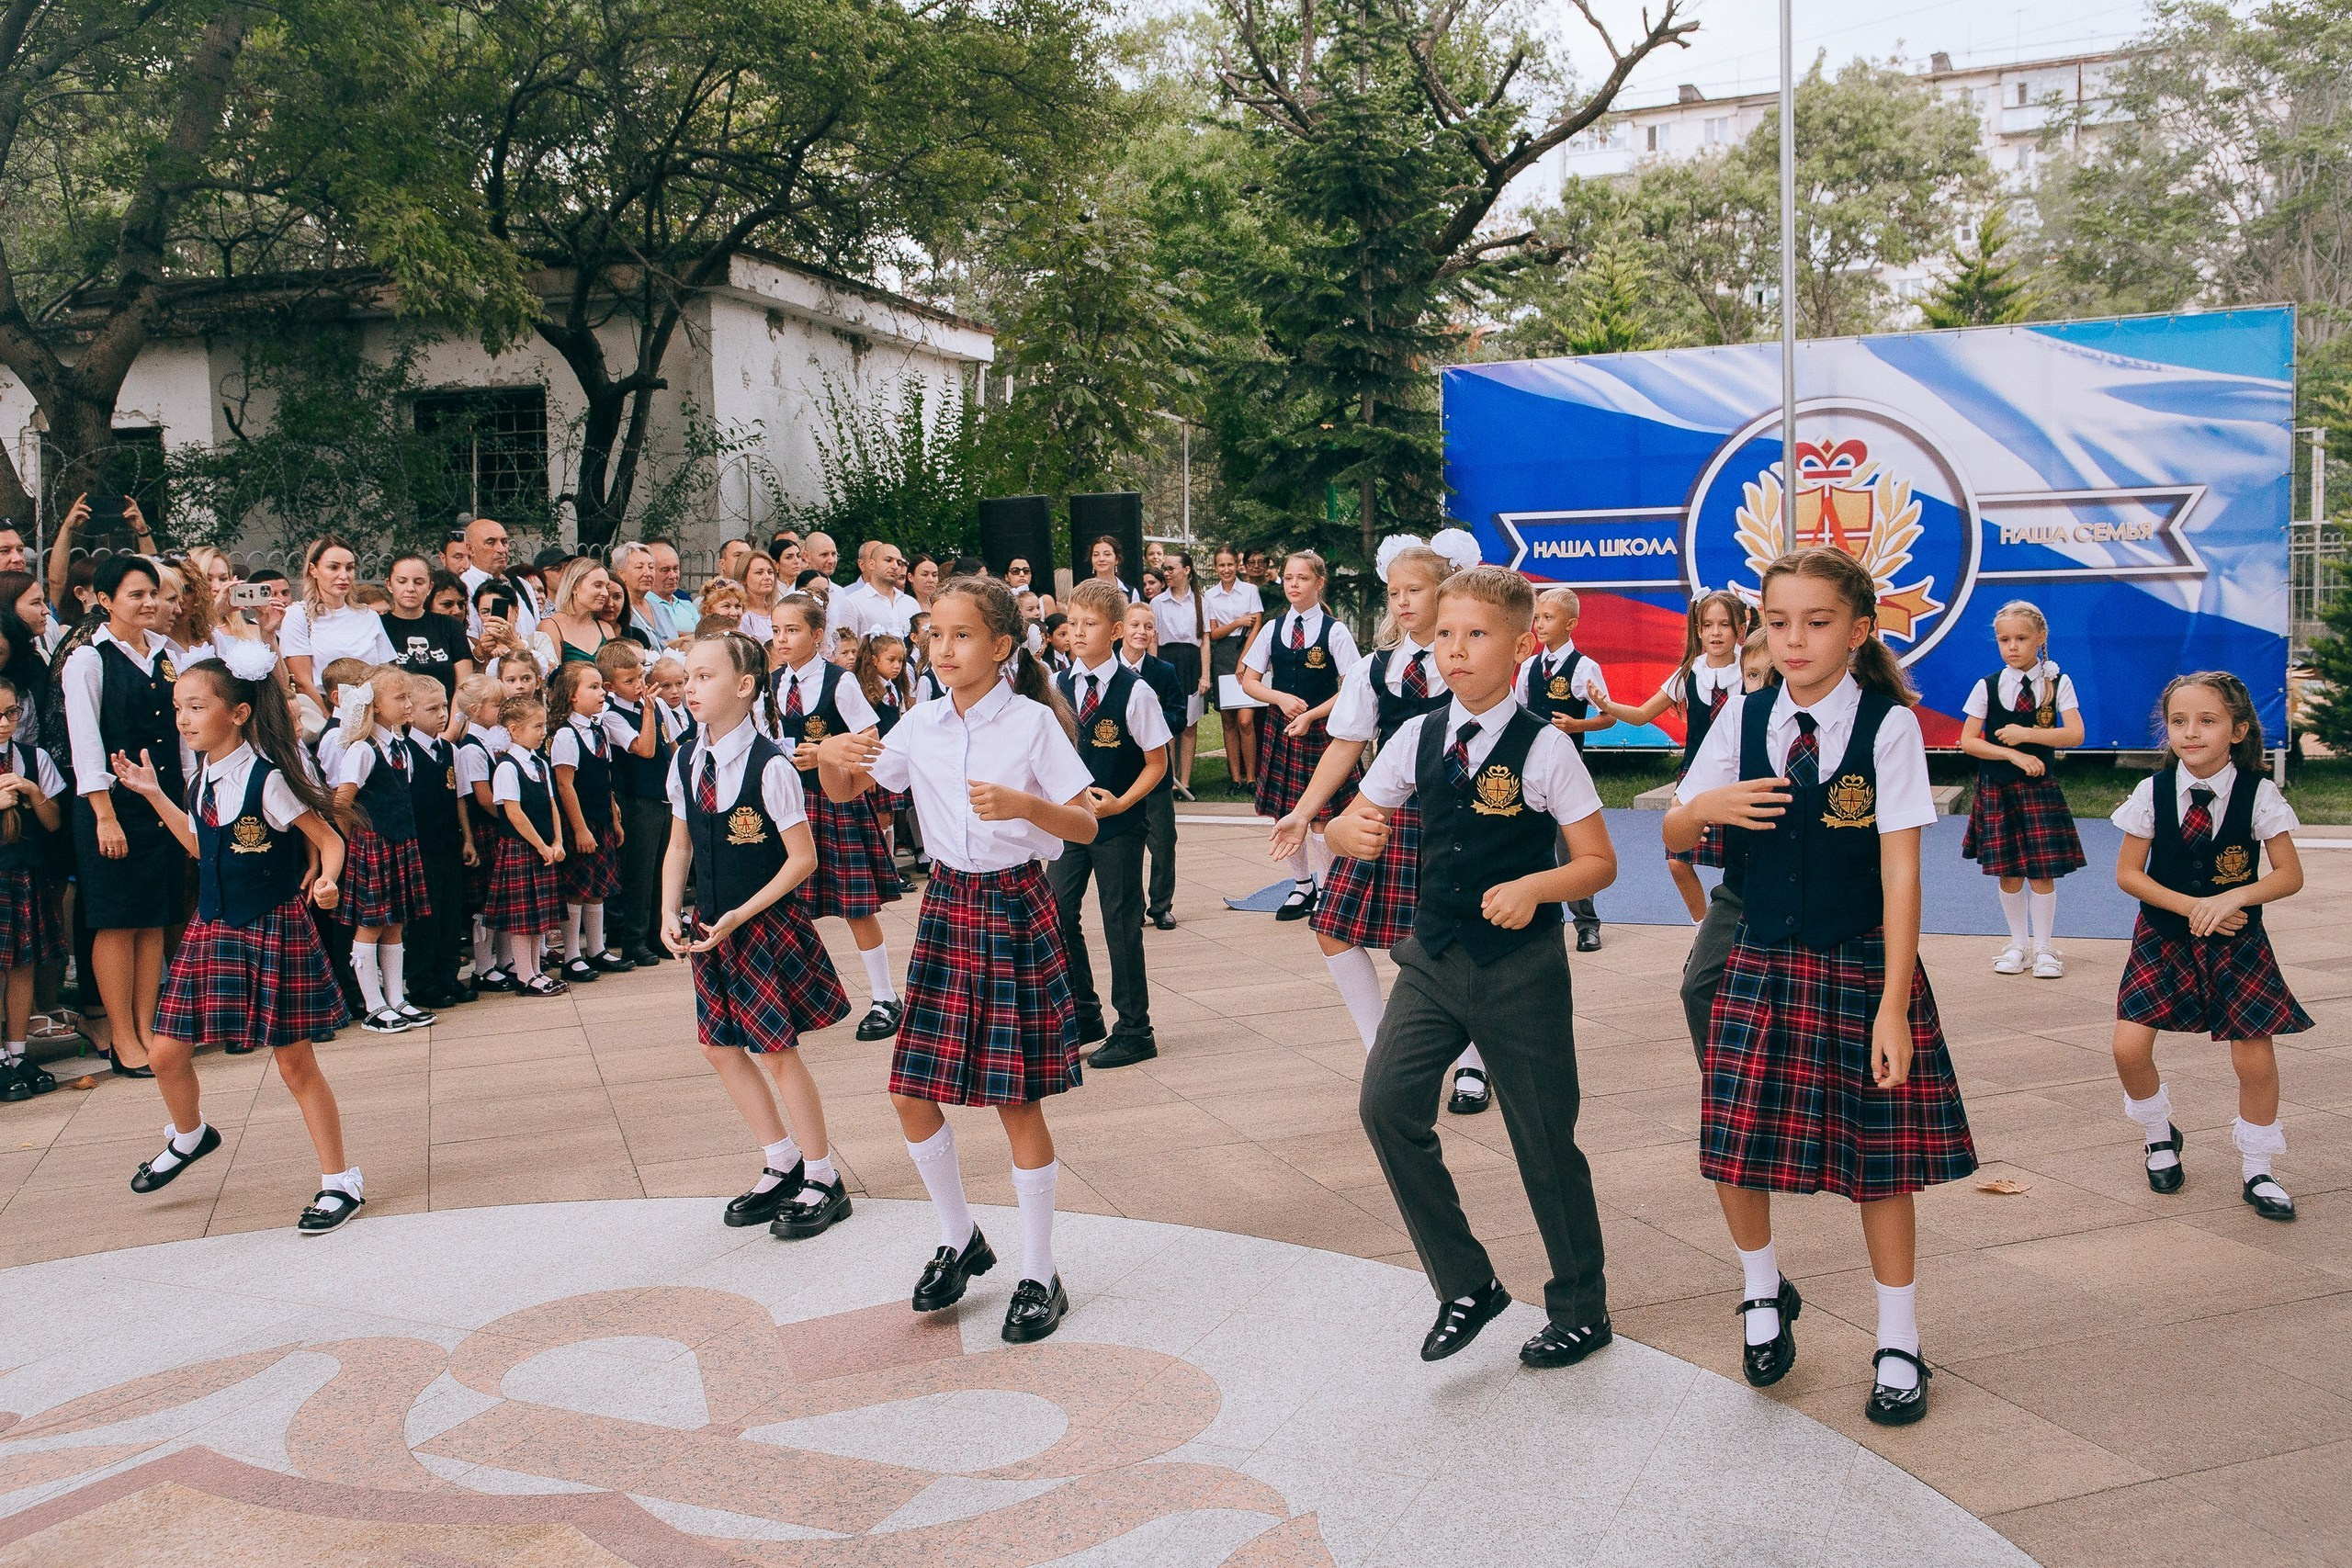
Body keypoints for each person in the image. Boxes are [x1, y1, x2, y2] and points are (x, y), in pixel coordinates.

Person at [1666, 547, 1973, 1427]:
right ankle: (1763, 1294)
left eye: (1818, 620)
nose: (1793, 639)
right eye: (1778, 620)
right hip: (1763, 955)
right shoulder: (1743, 712)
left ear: (1860, 630)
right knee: (1731, 1140)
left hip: (1858, 960)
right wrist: (1705, 810)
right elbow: (1680, 823)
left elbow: (1904, 875)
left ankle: (1899, 1338)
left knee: (1880, 1166)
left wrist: (1892, 1002)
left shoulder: (1890, 727)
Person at [1331, 565, 1617, 1370]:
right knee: (1387, 1106)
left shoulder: (1547, 748)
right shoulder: (1416, 733)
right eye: (1446, 633)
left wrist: (1537, 886)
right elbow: (1362, 814)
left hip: (1520, 969)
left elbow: (1598, 862)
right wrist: (1346, 832)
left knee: (1543, 1139)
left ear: (1522, 644)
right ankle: (1466, 1282)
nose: (1455, 649)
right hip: (1431, 957)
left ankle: (1580, 1306)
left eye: (1477, 634)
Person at [815, 573, 1097, 1344]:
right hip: (946, 906)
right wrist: (835, 757)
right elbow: (847, 792)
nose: (942, 648)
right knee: (910, 1087)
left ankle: (1041, 1271)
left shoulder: (1034, 723)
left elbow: (1084, 827)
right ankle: (960, 1235)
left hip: (1014, 905)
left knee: (1016, 1100)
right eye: (933, 635)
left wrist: (1026, 806)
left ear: (1002, 645)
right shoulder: (920, 723)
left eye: (961, 634)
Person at [114, 646, 365, 1232]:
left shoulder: (267, 778)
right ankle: (190, 1134)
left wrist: (327, 882)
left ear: (239, 713)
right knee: (164, 1052)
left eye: (196, 707)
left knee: (294, 1063)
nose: (183, 719)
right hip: (213, 926)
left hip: (271, 926)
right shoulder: (203, 775)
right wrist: (155, 795)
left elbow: (330, 840)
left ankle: (339, 1181)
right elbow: (204, 847)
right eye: (179, 708)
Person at [659, 632, 854, 1234]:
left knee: (776, 1051)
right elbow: (680, 842)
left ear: (744, 686)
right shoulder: (686, 758)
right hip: (711, 928)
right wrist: (668, 909)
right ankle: (781, 1159)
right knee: (718, 1046)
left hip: (762, 927)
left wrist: (742, 914)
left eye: (704, 676)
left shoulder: (771, 765)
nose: (690, 687)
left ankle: (824, 1175)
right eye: (687, 676)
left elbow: (803, 859)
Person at [2110, 671, 2309, 1221]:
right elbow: (2129, 873)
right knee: (2128, 1048)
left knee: (2255, 1059)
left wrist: (2235, 897)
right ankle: (2157, 1133)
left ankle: (2259, 1168)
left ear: (2238, 730)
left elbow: (2289, 874)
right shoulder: (2151, 792)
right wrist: (2191, 907)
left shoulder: (2259, 793)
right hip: (2163, 936)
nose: (2190, 733)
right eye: (2179, 722)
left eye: (2207, 721)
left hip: (2237, 940)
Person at [1271, 543, 1449, 1056]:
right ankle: (1380, 1048)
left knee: (1441, 940)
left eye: (1415, 590)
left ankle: (1469, 1062)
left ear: (1444, 590)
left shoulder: (1468, 660)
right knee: (1332, 926)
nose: (1402, 602)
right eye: (1394, 593)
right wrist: (1303, 814)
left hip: (1452, 814)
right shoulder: (1378, 667)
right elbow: (1345, 745)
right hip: (1386, 812)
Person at [62, 556, 192, 1078]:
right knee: (117, 923)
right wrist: (104, 814)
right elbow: (84, 743)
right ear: (104, 600)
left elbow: (183, 732)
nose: (150, 603)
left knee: (153, 920)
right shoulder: (88, 659)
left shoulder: (167, 654)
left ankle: (146, 1027)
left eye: (154, 593)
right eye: (137, 594)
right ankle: (121, 1038)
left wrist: (186, 798)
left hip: (161, 802)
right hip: (112, 807)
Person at [768, 596, 902, 1038]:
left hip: (833, 801)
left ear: (817, 635)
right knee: (786, 905)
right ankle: (796, 995)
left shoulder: (839, 682)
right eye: (777, 630)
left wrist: (830, 759)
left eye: (792, 630)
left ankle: (884, 998)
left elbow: (870, 739)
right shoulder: (769, 684)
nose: (783, 639)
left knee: (855, 907)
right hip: (787, 805)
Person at [1048, 582, 1170, 1068]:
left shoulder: (1135, 691)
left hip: (1117, 825)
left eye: (1090, 624)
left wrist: (1122, 803)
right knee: (1057, 913)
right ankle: (1084, 1013)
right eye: (1072, 623)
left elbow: (1157, 763)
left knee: (1121, 923)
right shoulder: (1056, 686)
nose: (1077, 632)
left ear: (1116, 631)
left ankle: (1135, 1029)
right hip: (1069, 821)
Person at [1599, 590, 1751, 924]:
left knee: (1746, 863)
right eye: (1707, 625)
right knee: (1677, 859)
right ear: (1697, 630)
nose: (1715, 632)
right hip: (1696, 779)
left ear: (1741, 627)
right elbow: (1641, 715)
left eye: (1724, 625)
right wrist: (1608, 706)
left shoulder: (1752, 672)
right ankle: (1703, 929)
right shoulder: (1687, 674)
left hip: (1743, 780)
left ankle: (1744, 932)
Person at [1960, 601, 2087, 977]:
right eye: (2004, 639)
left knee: (2041, 871)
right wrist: (2012, 755)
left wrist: (2028, 735)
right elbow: (1968, 740)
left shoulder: (2057, 683)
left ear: (2040, 638)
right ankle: (2018, 945)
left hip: (2038, 790)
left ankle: (2045, 948)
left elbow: (2076, 734)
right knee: (2008, 871)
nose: (2012, 646)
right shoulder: (1988, 685)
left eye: (2021, 638)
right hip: (1997, 789)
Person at [1238, 550, 1360, 920]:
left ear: (1319, 582)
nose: (1294, 585)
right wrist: (1278, 697)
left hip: (1322, 732)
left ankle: (1326, 887)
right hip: (1282, 731)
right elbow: (1248, 681)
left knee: (1320, 816)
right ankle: (1301, 884)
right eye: (1289, 578)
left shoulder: (1334, 630)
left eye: (1302, 578)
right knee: (1284, 811)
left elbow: (1353, 686)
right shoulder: (1274, 629)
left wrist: (1312, 714)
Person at [1676, 628, 1778, 1061]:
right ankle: (1725, 1087)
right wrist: (1701, 807)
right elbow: (1674, 833)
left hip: (1826, 890)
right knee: (1699, 986)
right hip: (1746, 884)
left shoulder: (1872, 720)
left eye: (1768, 676)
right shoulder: (1738, 718)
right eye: (1751, 675)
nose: (1760, 686)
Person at [330, 664, 435, 1035]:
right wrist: (346, 847)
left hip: (400, 842)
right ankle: (374, 1006)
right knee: (371, 924)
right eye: (401, 698)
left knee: (396, 923)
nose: (409, 705)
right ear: (374, 706)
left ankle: (397, 998)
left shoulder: (399, 746)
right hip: (373, 844)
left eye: (409, 697)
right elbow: (342, 803)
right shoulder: (363, 749)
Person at [1517, 587, 1613, 951]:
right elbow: (1519, 711)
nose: (1539, 624)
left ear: (1570, 624)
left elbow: (1607, 716)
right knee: (1528, 839)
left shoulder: (1584, 667)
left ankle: (1586, 922)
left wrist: (1577, 726)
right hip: (1529, 765)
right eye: (1537, 617)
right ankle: (1536, 915)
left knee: (1572, 847)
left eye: (1548, 618)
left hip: (1566, 767)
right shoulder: (1527, 667)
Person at [548, 660, 652, 982]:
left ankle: (597, 949)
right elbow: (565, 783)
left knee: (597, 888)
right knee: (576, 890)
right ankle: (572, 955)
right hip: (581, 821)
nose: (600, 693)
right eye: (592, 687)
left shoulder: (598, 730)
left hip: (602, 818)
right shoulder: (566, 734)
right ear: (571, 696)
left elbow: (604, 777)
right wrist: (579, 828)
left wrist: (614, 817)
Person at [0, 677, 65, 1099]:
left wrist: (34, 793)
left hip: (22, 871)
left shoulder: (31, 756)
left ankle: (18, 1049)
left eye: (11, 713)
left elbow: (54, 822)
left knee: (23, 965)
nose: (5, 723)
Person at [599, 641, 677, 967]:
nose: (639, 685)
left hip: (664, 797)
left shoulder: (658, 706)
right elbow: (644, 748)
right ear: (610, 687)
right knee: (639, 874)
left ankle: (658, 934)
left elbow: (671, 745)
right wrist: (647, 710)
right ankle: (633, 939)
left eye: (640, 677)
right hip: (636, 801)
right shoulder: (612, 716)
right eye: (629, 682)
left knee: (663, 870)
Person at [486, 694, 567, 996]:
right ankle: (525, 976)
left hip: (544, 848)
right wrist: (541, 846)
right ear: (515, 730)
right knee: (523, 920)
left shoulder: (540, 764)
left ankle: (536, 971)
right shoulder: (507, 767)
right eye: (537, 726)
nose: (543, 731)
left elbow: (551, 803)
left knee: (538, 918)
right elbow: (514, 813)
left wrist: (557, 841)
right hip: (521, 849)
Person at [401, 673, 472, 1009]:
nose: (442, 714)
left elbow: (458, 795)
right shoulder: (404, 751)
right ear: (410, 713)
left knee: (450, 914)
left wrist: (467, 838)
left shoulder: (449, 750)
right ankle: (422, 981)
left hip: (448, 842)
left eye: (445, 706)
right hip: (422, 847)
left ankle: (448, 976)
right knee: (425, 918)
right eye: (432, 708)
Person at [1120, 604, 1184, 931]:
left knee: (1162, 840)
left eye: (1148, 626)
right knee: (1123, 845)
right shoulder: (1107, 671)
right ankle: (1131, 905)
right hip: (1120, 772)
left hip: (1155, 768)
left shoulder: (1164, 671)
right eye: (1135, 625)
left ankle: (1161, 905)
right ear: (1121, 629)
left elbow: (1179, 714)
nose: (1141, 632)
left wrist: (1151, 724)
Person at [282, 537, 397, 713]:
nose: (344, 575)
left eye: (349, 568)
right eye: (333, 567)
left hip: (373, 710)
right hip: (325, 710)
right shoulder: (298, 614)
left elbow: (386, 671)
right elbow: (302, 680)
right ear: (313, 570)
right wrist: (330, 721)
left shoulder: (369, 615)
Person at [452, 674, 508, 990]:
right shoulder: (472, 748)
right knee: (485, 902)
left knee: (501, 898)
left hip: (499, 827)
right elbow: (483, 796)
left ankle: (505, 960)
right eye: (496, 704)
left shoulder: (492, 737)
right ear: (475, 709)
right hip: (488, 828)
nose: (502, 709)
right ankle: (484, 966)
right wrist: (509, 816)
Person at [1150, 551, 1209, 801]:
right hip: (1166, 660)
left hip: (1191, 662)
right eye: (1164, 568)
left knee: (1189, 724)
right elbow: (1153, 639)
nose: (1167, 573)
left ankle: (1186, 781)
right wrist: (1153, 672)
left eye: (1171, 568)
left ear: (1186, 570)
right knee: (1168, 723)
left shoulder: (1200, 601)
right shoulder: (1157, 603)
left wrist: (1205, 674)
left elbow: (1205, 640)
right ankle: (1171, 781)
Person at [1204, 548, 1263, 789]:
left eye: (1230, 564)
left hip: (1248, 650)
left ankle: (1252, 777)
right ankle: (1235, 777)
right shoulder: (1209, 595)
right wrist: (1237, 622)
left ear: (1236, 565)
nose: (1226, 570)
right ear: (1216, 568)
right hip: (1223, 655)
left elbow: (1256, 625)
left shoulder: (1250, 590)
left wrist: (1244, 660)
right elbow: (1214, 633)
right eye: (1221, 565)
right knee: (1228, 720)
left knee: (1245, 719)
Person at [381, 553, 474, 698]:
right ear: (389, 585)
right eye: (402, 581)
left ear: (430, 586)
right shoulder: (378, 626)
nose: (410, 588)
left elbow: (464, 686)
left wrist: (454, 721)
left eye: (419, 582)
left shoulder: (450, 626)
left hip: (447, 716)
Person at [459, 517, 541, 641]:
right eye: (490, 542)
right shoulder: (464, 587)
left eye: (504, 542)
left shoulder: (522, 584)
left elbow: (537, 634)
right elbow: (472, 642)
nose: (501, 549)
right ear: (471, 549)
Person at [532, 558, 619, 668]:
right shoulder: (551, 627)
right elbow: (552, 675)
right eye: (597, 585)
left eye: (606, 587)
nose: (605, 593)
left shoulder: (606, 630)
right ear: (574, 587)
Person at [647, 541, 697, 637]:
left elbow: (704, 638)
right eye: (665, 570)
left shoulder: (687, 605)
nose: (673, 575)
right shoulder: (644, 606)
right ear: (650, 571)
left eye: (675, 569)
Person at [739, 551, 785, 644]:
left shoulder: (777, 610)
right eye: (759, 573)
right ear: (744, 578)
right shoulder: (741, 615)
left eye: (770, 572)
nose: (767, 577)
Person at [1084, 536, 1140, 604]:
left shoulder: (1131, 593)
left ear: (1117, 559)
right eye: (1096, 555)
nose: (1101, 559)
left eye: (1107, 554)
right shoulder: (1084, 592)